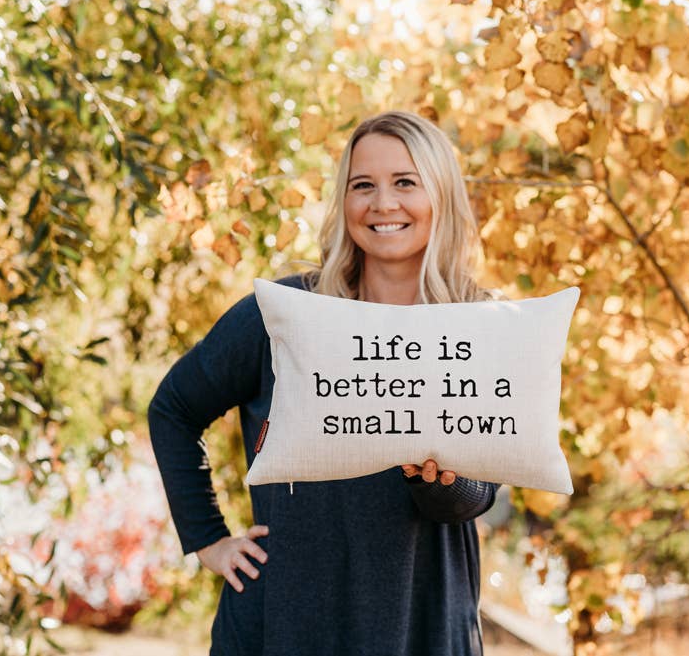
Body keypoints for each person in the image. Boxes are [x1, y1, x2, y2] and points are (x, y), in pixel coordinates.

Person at [148, 111, 498, 655]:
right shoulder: (284, 315)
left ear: (442, 195)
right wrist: (209, 539)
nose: (383, 204)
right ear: (345, 201)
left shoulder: (477, 323)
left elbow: (475, 497)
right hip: (284, 621)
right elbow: (173, 408)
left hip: (422, 622)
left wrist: (437, 479)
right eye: (364, 186)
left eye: (406, 182)